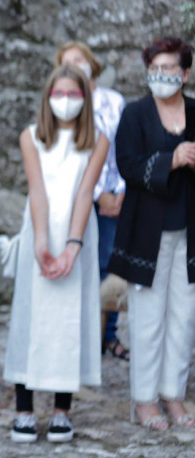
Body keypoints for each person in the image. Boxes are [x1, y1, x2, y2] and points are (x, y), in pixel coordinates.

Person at [4, 65, 107, 444]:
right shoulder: (31, 137)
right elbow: (38, 191)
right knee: (29, 315)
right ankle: (24, 407)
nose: (66, 102)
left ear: (86, 98)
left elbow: (84, 193)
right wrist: (42, 243)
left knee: (69, 317)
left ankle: (63, 409)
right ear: (48, 98)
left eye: (74, 95)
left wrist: (73, 247)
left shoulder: (97, 140)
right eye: (59, 94)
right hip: (41, 226)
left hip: (78, 231)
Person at [109, 36, 195, 431]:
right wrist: (171, 159)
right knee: (147, 318)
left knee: (184, 316)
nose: (161, 76)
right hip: (147, 231)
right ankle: (144, 399)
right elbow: (127, 165)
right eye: (154, 69)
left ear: (186, 73)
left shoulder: (194, 111)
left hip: (189, 231)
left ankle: (173, 394)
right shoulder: (135, 113)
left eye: (169, 69)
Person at [56, 41, 130, 361]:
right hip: (82, 197)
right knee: (81, 264)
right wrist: (97, 193)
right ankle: (80, 337)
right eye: (67, 61)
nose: (75, 65)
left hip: (115, 193)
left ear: (91, 62)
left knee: (110, 265)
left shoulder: (113, 101)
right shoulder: (64, 104)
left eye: (79, 59)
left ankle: (108, 334)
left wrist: (121, 191)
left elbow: (125, 146)